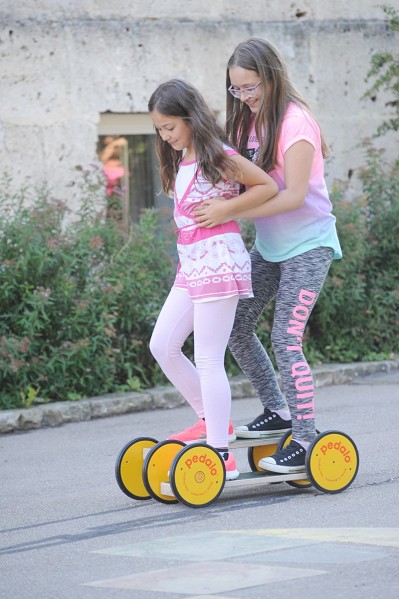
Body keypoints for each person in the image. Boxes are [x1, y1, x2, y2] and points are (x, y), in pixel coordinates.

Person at [194, 38, 342, 474]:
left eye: (252, 87)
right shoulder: (245, 125)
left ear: (272, 77)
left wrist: (230, 210)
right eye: (236, 89)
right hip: (270, 247)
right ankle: (278, 411)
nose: (245, 96)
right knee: (236, 325)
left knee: (285, 339)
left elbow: (293, 196)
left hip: (309, 246)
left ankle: (306, 435)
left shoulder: (297, 123)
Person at [148, 79, 278, 480]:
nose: (165, 135)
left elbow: (267, 185)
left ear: (190, 117)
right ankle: (209, 422)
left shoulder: (216, 153)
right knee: (163, 344)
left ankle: (221, 453)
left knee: (207, 357)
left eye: (170, 126)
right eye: (160, 129)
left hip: (219, 260)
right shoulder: (184, 156)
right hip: (193, 263)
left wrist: (228, 209)